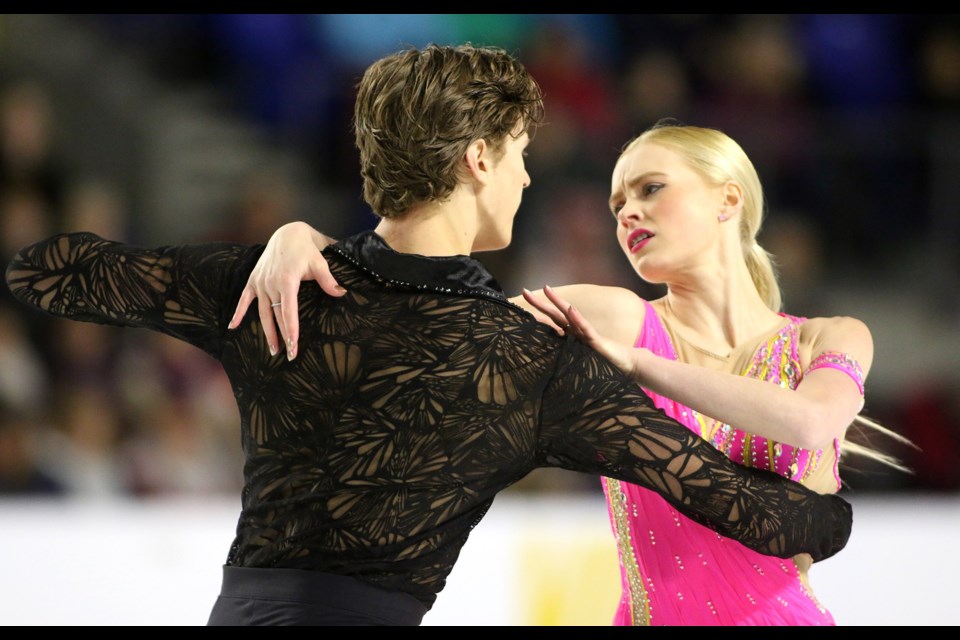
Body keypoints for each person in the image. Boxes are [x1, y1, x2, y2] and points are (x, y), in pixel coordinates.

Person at [4, 48, 853, 627]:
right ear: (479, 159)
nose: (527, 174)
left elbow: (43, 270)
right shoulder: (525, 359)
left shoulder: (269, 283)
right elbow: (768, 519)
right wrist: (829, 504)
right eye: (519, 152)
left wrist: (285, 237)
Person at [236, 121, 909, 626]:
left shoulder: (830, 339)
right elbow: (437, 324)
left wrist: (642, 368)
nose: (628, 213)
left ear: (727, 199)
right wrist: (310, 241)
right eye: (618, 203)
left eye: (651, 189)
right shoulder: (613, 315)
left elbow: (811, 420)